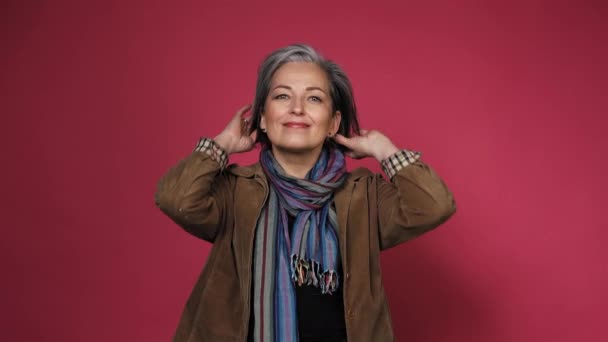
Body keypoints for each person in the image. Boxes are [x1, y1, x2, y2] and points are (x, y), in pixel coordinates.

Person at [155, 44, 456, 342]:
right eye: (283, 95)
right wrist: (221, 145)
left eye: (314, 98)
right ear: (262, 118)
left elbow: (433, 206)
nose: (297, 108)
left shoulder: (364, 196)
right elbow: (177, 199)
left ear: (333, 123)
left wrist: (384, 150)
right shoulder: (234, 191)